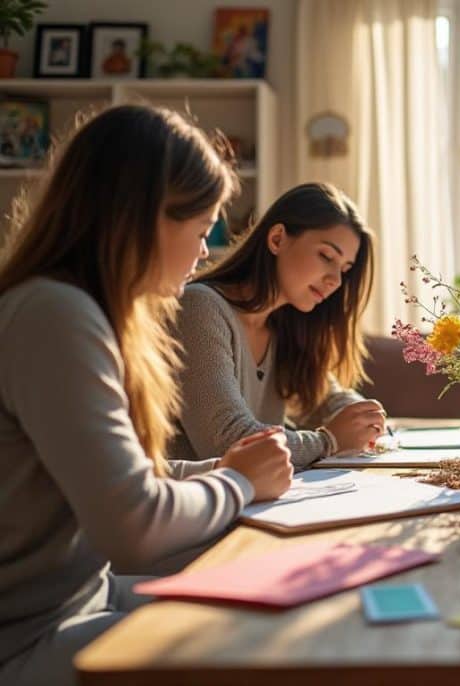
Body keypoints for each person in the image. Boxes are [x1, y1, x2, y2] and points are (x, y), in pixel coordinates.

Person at [0, 104, 292, 685]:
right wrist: (237, 482)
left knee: (282, 591)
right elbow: (134, 526)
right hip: (28, 639)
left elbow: (131, 479)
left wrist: (224, 468)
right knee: (281, 640)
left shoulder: (80, 312)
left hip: (86, 600)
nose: (208, 249)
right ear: (148, 216)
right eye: (204, 225)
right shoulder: (54, 315)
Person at [173, 182, 384, 469]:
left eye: (345, 269)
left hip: (257, 505)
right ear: (277, 239)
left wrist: (367, 420)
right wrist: (330, 441)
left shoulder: (285, 324)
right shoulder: (199, 307)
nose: (335, 280)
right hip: (197, 506)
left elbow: (326, 398)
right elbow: (227, 441)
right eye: (326, 256)